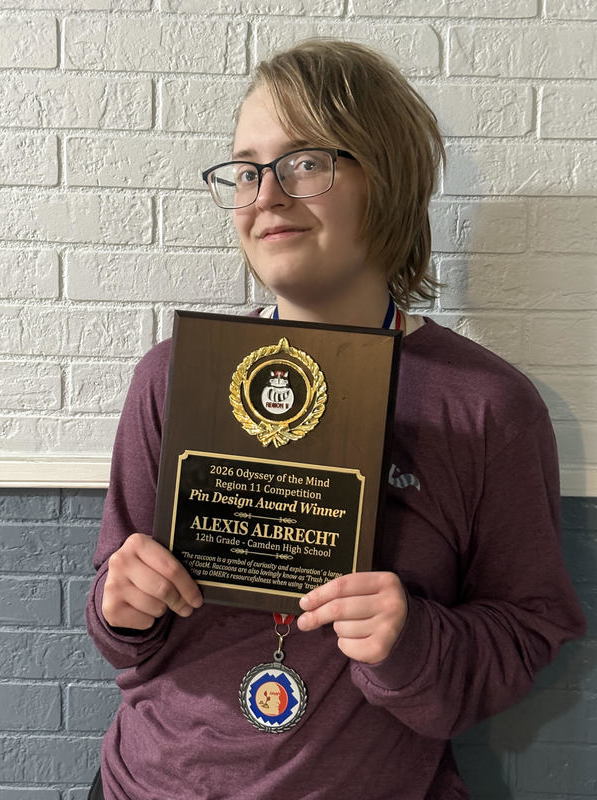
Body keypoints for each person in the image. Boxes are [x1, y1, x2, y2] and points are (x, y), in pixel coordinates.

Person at [86, 39, 586, 800]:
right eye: (246, 169)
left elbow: (526, 634)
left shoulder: (487, 408)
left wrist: (412, 640)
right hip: (144, 784)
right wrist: (119, 607)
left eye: (304, 162)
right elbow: (118, 625)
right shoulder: (171, 376)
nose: (265, 196)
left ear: (384, 177)